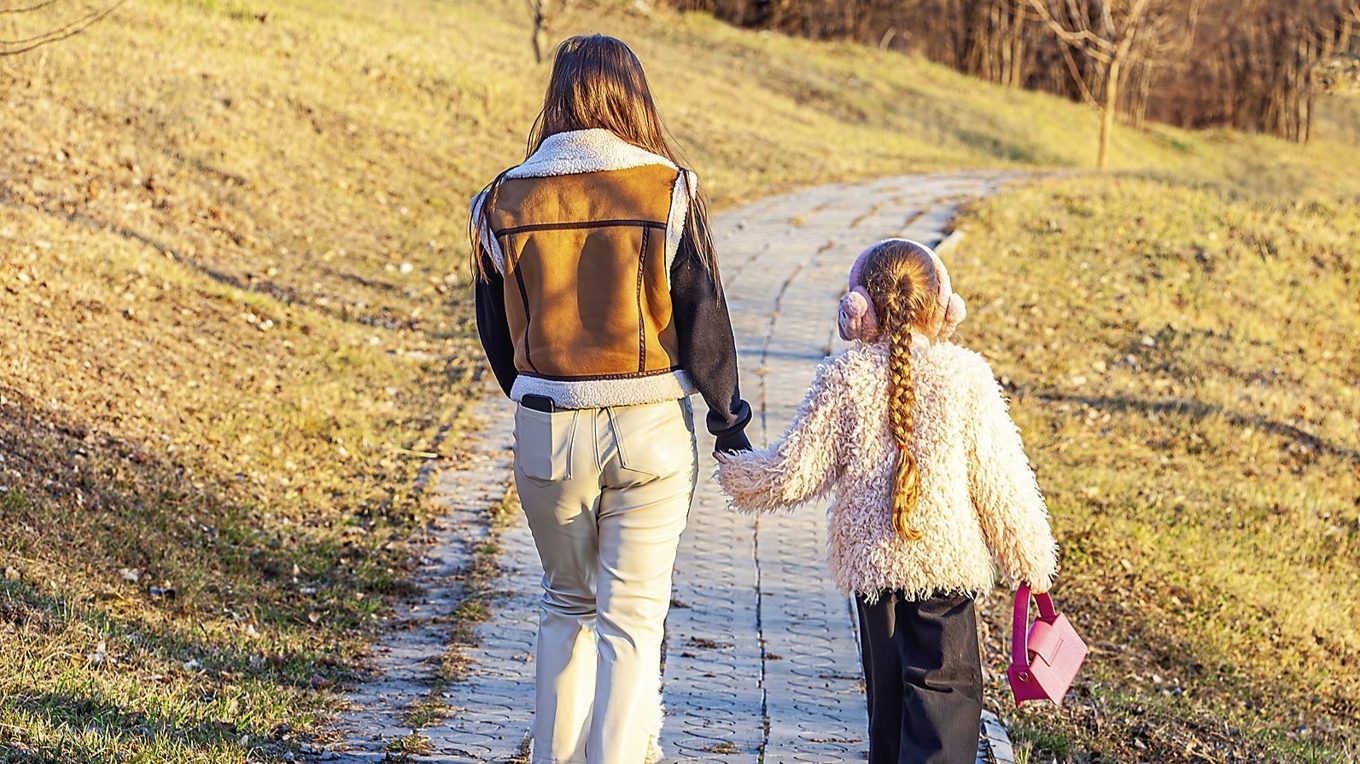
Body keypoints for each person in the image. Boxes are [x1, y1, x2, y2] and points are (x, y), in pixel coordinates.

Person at [469, 34, 752, 764]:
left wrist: (539, 395)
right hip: (650, 427)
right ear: (634, 95)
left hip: (547, 429)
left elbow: (496, 335)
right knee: (631, 620)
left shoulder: (500, 199)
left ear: (557, 96)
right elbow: (703, 318)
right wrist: (728, 419)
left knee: (566, 605)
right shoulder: (668, 188)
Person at [714, 239, 1058, 764]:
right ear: (943, 308)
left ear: (860, 311)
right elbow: (1002, 483)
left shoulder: (843, 379)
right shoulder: (967, 379)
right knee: (947, 701)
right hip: (948, 572)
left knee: (889, 707)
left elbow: (789, 473)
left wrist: (734, 459)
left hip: (875, 578)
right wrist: (1030, 561)